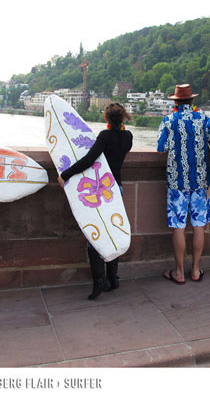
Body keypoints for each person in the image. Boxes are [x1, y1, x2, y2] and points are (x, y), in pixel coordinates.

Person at [58, 103, 133, 300]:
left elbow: (90, 159)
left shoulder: (105, 136)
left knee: (95, 235)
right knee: (113, 232)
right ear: (124, 117)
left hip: (101, 191)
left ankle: (99, 281)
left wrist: (65, 174)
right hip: (117, 189)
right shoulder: (128, 137)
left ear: (106, 118)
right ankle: (113, 278)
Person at [156, 84, 210, 284]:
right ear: (192, 101)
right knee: (198, 226)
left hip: (176, 183)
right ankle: (195, 270)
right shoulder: (204, 119)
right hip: (201, 184)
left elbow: (160, 148)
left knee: (178, 227)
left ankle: (179, 273)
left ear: (176, 102)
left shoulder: (169, 120)